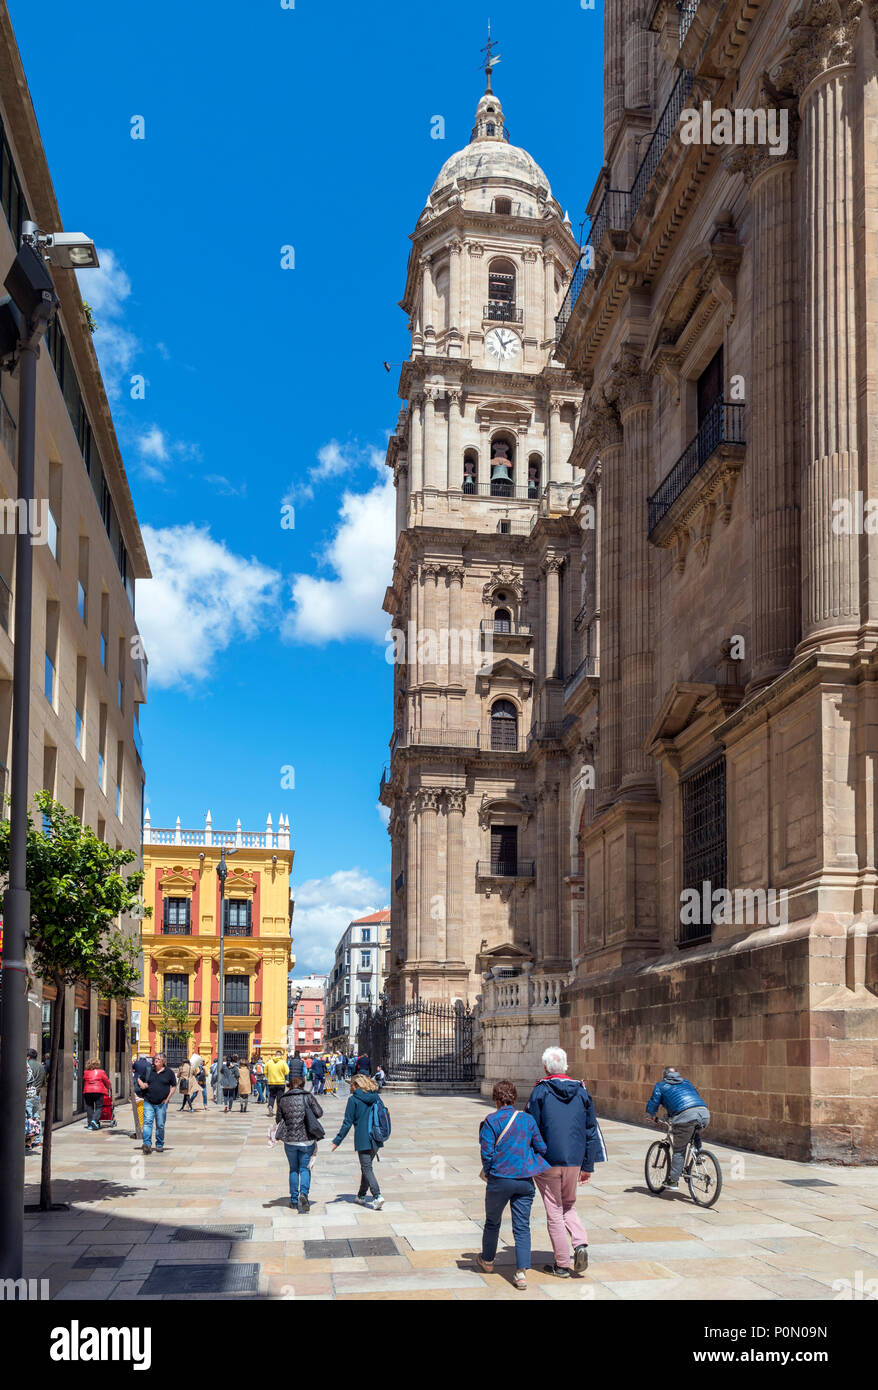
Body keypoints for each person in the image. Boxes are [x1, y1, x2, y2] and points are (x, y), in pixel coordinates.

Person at [527, 1046, 606, 1277]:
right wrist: (588, 1165)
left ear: (545, 1068)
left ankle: (562, 1264)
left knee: (554, 1210)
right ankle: (580, 1244)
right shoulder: (582, 1092)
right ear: (566, 1066)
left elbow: (532, 1128)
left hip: (548, 1160)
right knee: (568, 1204)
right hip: (574, 1160)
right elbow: (591, 1129)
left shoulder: (540, 1091)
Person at [477, 1080, 549, 1291]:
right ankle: (521, 1273)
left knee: (492, 1222)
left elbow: (486, 1152)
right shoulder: (527, 1120)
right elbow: (542, 1147)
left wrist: (490, 1172)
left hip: (499, 1179)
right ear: (514, 1098)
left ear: (495, 1100)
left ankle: (488, 1261)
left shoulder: (491, 1121)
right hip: (524, 1181)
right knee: (522, 1226)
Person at [646, 1066, 711, 1190]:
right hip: (704, 1113)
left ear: (664, 1075)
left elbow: (654, 1101)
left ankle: (673, 1181)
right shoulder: (686, 1082)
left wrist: (650, 1115)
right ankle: (698, 1154)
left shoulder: (661, 1085)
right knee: (693, 1131)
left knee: (679, 1150)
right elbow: (694, 1095)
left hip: (685, 1116)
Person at [330, 1074, 385, 1210]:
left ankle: (377, 1196)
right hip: (376, 1137)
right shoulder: (375, 1096)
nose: (350, 1087)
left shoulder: (353, 1100)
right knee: (366, 1167)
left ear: (356, 1086)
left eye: (351, 1085)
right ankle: (361, 1196)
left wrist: (337, 1140)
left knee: (366, 1168)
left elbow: (347, 1123)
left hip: (363, 1138)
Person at [274, 1076, 324, 1211]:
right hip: (307, 1139)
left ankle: (294, 1199)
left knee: (293, 1169)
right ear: (302, 1085)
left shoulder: (283, 1099)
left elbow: (278, 1119)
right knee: (305, 1168)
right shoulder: (308, 1096)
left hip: (289, 1140)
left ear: (289, 1086)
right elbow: (319, 1113)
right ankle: (304, 1194)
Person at [138, 1053, 177, 1154]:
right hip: (148, 1101)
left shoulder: (169, 1072)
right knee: (147, 1122)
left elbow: (174, 1086)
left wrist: (167, 1099)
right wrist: (142, 1085)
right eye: (155, 1058)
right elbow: (138, 1079)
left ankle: (159, 1144)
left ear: (163, 1061)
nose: (156, 1060)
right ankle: (147, 1144)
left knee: (160, 1125)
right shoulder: (149, 1070)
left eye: (158, 1059)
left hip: (162, 1103)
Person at [25, 1049, 46, 1152]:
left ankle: (28, 1142)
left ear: (28, 1056)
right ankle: (37, 1139)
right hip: (36, 1095)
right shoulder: (41, 1066)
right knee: (36, 1117)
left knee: (27, 1118)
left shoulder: (27, 1065)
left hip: (27, 1095)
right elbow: (43, 1082)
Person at [265, 1050, 289, 1115]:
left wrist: (269, 1077)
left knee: (272, 1096)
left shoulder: (269, 1062)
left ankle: (270, 1106)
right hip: (280, 1082)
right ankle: (279, 1111)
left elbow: (265, 1072)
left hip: (271, 1082)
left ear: (275, 1055)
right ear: (281, 1055)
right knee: (280, 1097)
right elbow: (287, 1072)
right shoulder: (283, 1062)